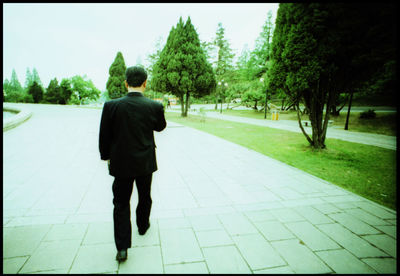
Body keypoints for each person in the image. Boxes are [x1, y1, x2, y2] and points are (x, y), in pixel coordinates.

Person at [99, 66, 167, 262]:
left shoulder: (111, 106)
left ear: (125, 83)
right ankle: (143, 225)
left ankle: (122, 248)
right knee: (145, 196)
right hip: (145, 161)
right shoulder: (153, 106)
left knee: (120, 203)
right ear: (145, 83)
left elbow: (105, 134)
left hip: (120, 163)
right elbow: (160, 127)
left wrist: (106, 157)